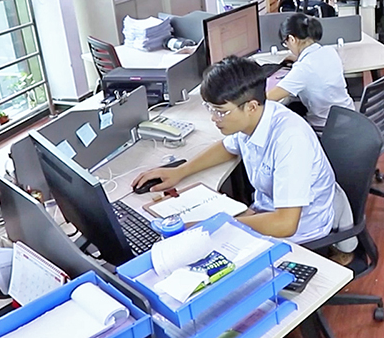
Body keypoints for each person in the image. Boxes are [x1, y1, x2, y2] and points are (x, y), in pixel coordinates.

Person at [131, 57, 355, 252]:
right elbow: (228, 147)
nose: (213, 118)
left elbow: (286, 224)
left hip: (300, 230)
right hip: (265, 211)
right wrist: (180, 171)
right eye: (210, 108)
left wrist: (217, 225)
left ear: (251, 107)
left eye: (220, 112)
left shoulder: (290, 139)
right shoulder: (253, 119)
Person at [266, 14, 356, 129]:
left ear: (292, 39)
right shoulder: (330, 51)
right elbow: (315, 68)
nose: (288, 47)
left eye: (285, 43)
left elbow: (269, 98)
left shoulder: (303, 69)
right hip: (350, 117)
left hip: (326, 128)